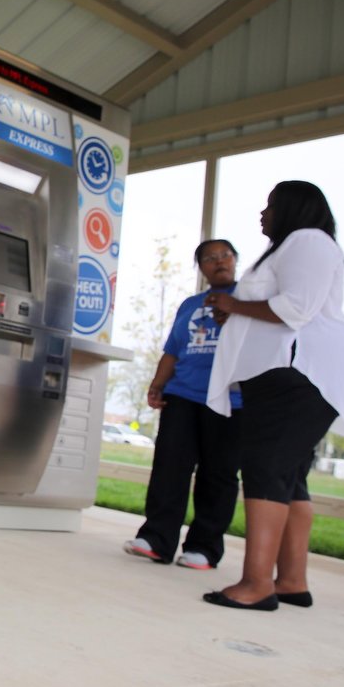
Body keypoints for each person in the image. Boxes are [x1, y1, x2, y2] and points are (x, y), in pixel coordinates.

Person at [202, 180, 344, 611]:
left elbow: (295, 308)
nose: (263, 212)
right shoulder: (295, 246)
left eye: (271, 205)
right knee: (289, 476)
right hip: (284, 377)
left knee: (265, 467)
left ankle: (257, 585)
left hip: (298, 375)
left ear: (294, 209)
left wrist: (233, 306)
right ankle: (291, 581)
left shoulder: (308, 240)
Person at [123, 239, 242, 569]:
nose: (219, 262)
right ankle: (156, 539)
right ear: (200, 268)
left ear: (235, 260)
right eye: (209, 257)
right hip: (184, 394)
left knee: (218, 474)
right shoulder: (190, 304)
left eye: (225, 255)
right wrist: (158, 383)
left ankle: (203, 548)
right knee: (169, 467)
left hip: (230, 399)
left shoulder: (250, 301)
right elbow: (174, 349)